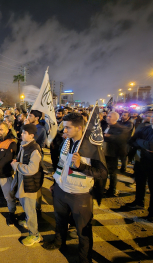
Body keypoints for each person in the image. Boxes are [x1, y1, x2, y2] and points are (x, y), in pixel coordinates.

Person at [46, 113, 108, 263]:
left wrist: (81, 166)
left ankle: (84, 258)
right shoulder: (66, 142)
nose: (64, 130)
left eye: (67, 127)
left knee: (83, 230)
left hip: (80, 195)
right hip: (61, 190)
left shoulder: (92, 147)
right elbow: (61, 164)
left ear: (79, 128)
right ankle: (59, 242)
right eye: (64, 127)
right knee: (60, 220)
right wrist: (56, 184)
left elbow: (102, 173)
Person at [11, 124, 43, 246]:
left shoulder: (34, 149)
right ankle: (28, 222)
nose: (21, 135)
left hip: (29, 184)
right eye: (22, 133)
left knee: (30, 210)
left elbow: (32, 169)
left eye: (24, 133)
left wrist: (16, 165)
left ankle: (34, 234)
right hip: (22, 182)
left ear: (32, 135)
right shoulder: (24, 145)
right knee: (26, 207)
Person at [123, 114, 153, 222]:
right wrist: (144, 144)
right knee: (140, 183)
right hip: (141, 161)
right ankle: (138, 202)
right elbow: (131, 140)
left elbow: (151, 146)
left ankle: (151, 213)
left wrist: (140, 142)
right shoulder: (145, 128)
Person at [103, 112, 126, 197]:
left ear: (115, 118)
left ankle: (112, 190)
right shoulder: (106, 126)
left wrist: (109, 136)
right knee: (103, 171)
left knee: (112, 173)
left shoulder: (119, 128)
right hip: (104, 152)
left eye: (110, 116)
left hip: (112, 153)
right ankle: (102, 187)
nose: (108, 118)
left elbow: (120, 139)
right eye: (107, 116)